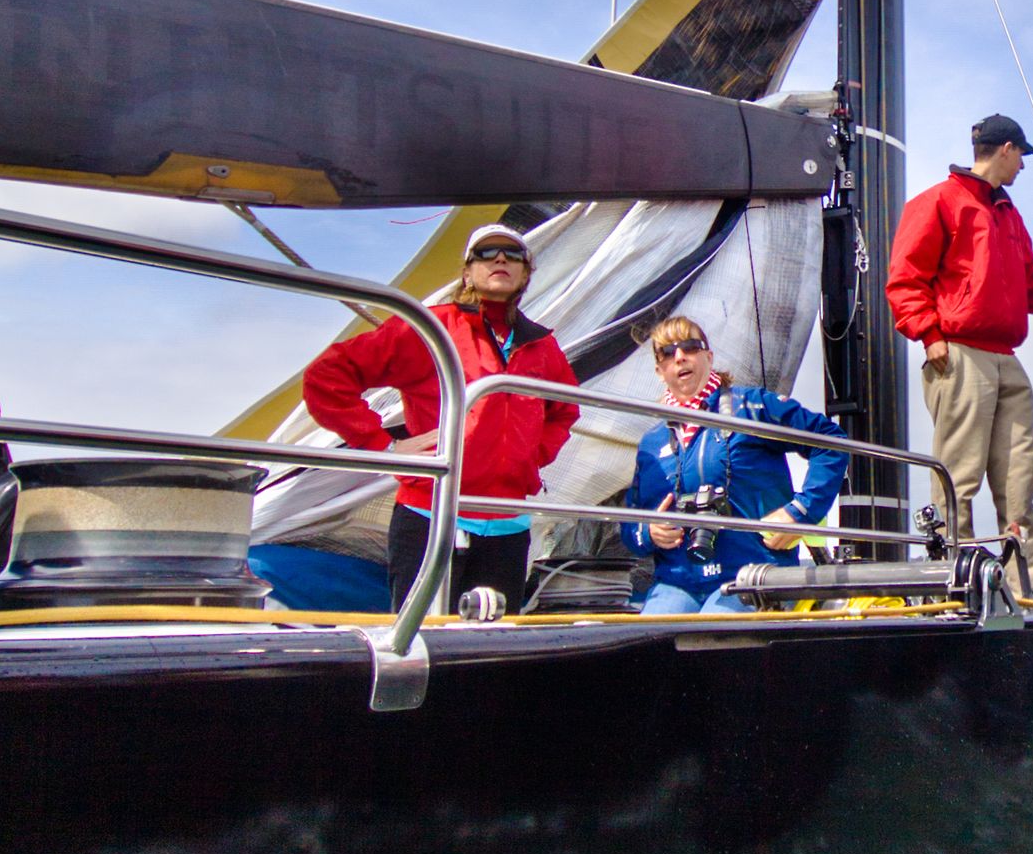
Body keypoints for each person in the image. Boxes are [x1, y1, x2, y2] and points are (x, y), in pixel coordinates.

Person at [885, 114, 1033, 602]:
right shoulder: (938, 202)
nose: (1023, 168)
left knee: (1018, 479)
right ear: (1006, 149)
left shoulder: (1008, 214)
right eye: (1022, 157)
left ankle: (1028, 586)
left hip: (1005, 355)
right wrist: (929, 335)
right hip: (959, 352)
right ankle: (955, 586)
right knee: (958, 478)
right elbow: (905, 280)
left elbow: (1032, 282)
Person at [303, 222, 579, 613]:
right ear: (468, 271)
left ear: (525, 273)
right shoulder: (432, 329)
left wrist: (531, 456)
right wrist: (384, 445)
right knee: (427, 647)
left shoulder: (541, 345)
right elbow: (327, 375)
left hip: (508, 525)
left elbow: (564, 410)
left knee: (493, 655)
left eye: (512, 253)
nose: (500, 258)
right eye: (486, 252)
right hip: (431, 515)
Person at [620, 316, 849, 614]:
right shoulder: (652, 444)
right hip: (677, 584)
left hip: (753, 576)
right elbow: (629, 521)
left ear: (708, 356)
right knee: (648, 647)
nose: (680, 356)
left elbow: (830, 442)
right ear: (659, 371)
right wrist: (649, 531)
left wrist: (800, 513)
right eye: (667, 352)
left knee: (714, 639)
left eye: (690, 346)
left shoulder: (752, 407)